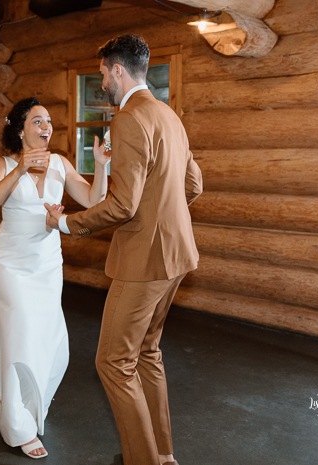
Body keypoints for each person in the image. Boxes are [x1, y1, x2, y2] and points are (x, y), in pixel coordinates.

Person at [45, 34, 203, 465]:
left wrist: (65, 223)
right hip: (176, 256)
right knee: (146, 353)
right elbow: (193, 185)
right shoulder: (169, 115)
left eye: (102, 73)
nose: (102, 82)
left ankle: (144, 461)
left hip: (144, 261)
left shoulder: (130, 118)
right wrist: (162, 215)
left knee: (113, 362)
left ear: (118, 70)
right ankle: (164, 454)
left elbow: (122, 206)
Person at [0, 97, 110, 459]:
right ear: (20, 129)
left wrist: (100, 166)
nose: (46, 127)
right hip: (11, 263)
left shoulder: (60, 163)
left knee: (44, 335)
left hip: (47, 263)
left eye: (49, 121)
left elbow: (92, 198)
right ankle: (17, 424)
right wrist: (19, 170)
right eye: (38, 121)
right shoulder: (4, 164)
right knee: (19, 333)